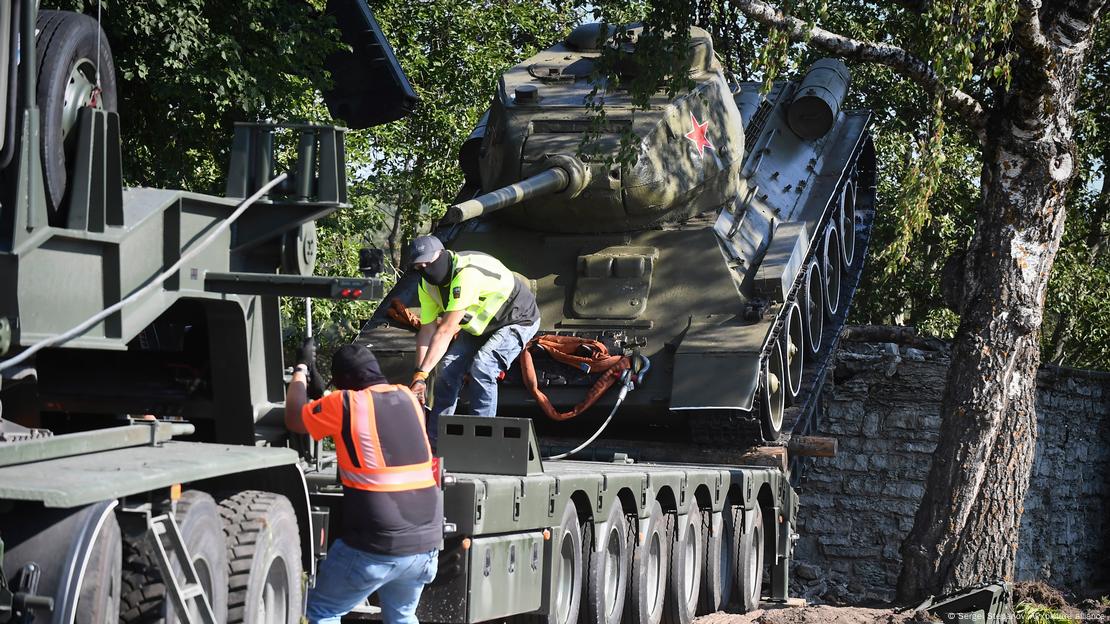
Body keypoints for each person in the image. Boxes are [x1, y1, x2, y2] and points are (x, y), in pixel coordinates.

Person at [285, 340, 442, 624]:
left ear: (344, 382)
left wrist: (300, 370)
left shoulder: (345, 403)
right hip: (426, 542)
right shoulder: (408, 399)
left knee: (322, 612)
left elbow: (295, 417)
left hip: (377, 543)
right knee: (402, 616)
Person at [407, 235, 540, 440]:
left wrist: (423, 373)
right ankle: (435, 441)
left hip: (516, 317)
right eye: (419, 265)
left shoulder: (466, 275)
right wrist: (419, 377)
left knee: (483, 367)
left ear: (441, 254)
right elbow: (427, 332)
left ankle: (482, 439)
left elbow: (446, 330)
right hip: (481, 324)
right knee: (446, 369)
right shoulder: (427, 286)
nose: (424, 268)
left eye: (428, 261)